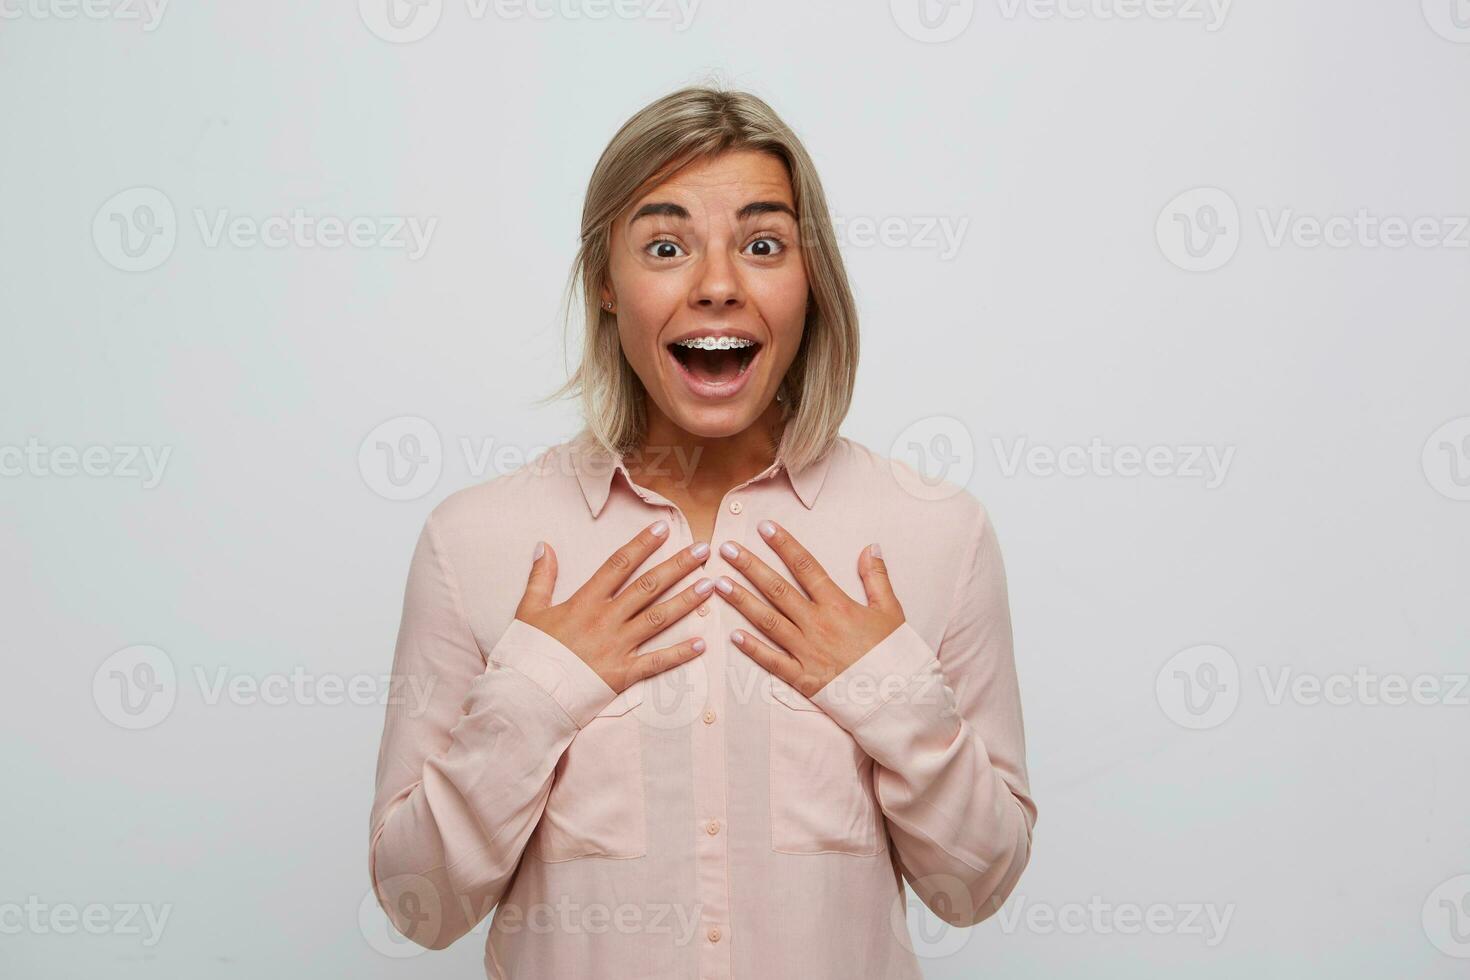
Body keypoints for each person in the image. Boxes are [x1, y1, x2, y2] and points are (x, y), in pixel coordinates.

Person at [367, 83, 1036, 980]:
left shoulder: (937, 536)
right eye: (666, 246)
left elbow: (975, 888)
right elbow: (421, 906)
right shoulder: (474, 542)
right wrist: (536, 693)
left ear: (812, 279)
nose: (718, 286)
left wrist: (887, 689)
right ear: (606, 281)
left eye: (763, 245)